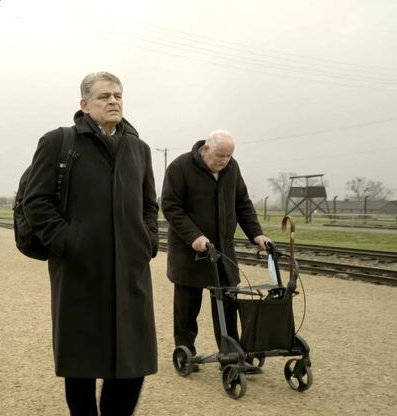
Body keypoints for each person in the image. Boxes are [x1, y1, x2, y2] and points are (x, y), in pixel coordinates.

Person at [22, 72, 159, 416]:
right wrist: (69, 242)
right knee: (80, 364)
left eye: (117, 95)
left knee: (133, 363)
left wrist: (148, 242)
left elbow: (149, 205)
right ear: (84, 105)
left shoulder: (138, 148)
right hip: (80, 271)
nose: (113, 101)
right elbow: (35, 202)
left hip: (130, 271)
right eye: (103, 97)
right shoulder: (59, 142)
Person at [161, 130, 271, 366]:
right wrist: (195, 237)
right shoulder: (180, 167)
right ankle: (185, 350)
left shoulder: (232, 169)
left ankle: (230, 353)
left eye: (229, 156)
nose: (224, 160)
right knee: (187, 308)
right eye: (220, 155)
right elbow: (171, 207)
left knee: (228, 304)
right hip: (190, 253)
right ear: (206, 149)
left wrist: (257, 234)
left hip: (223, 252)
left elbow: (242, 203)